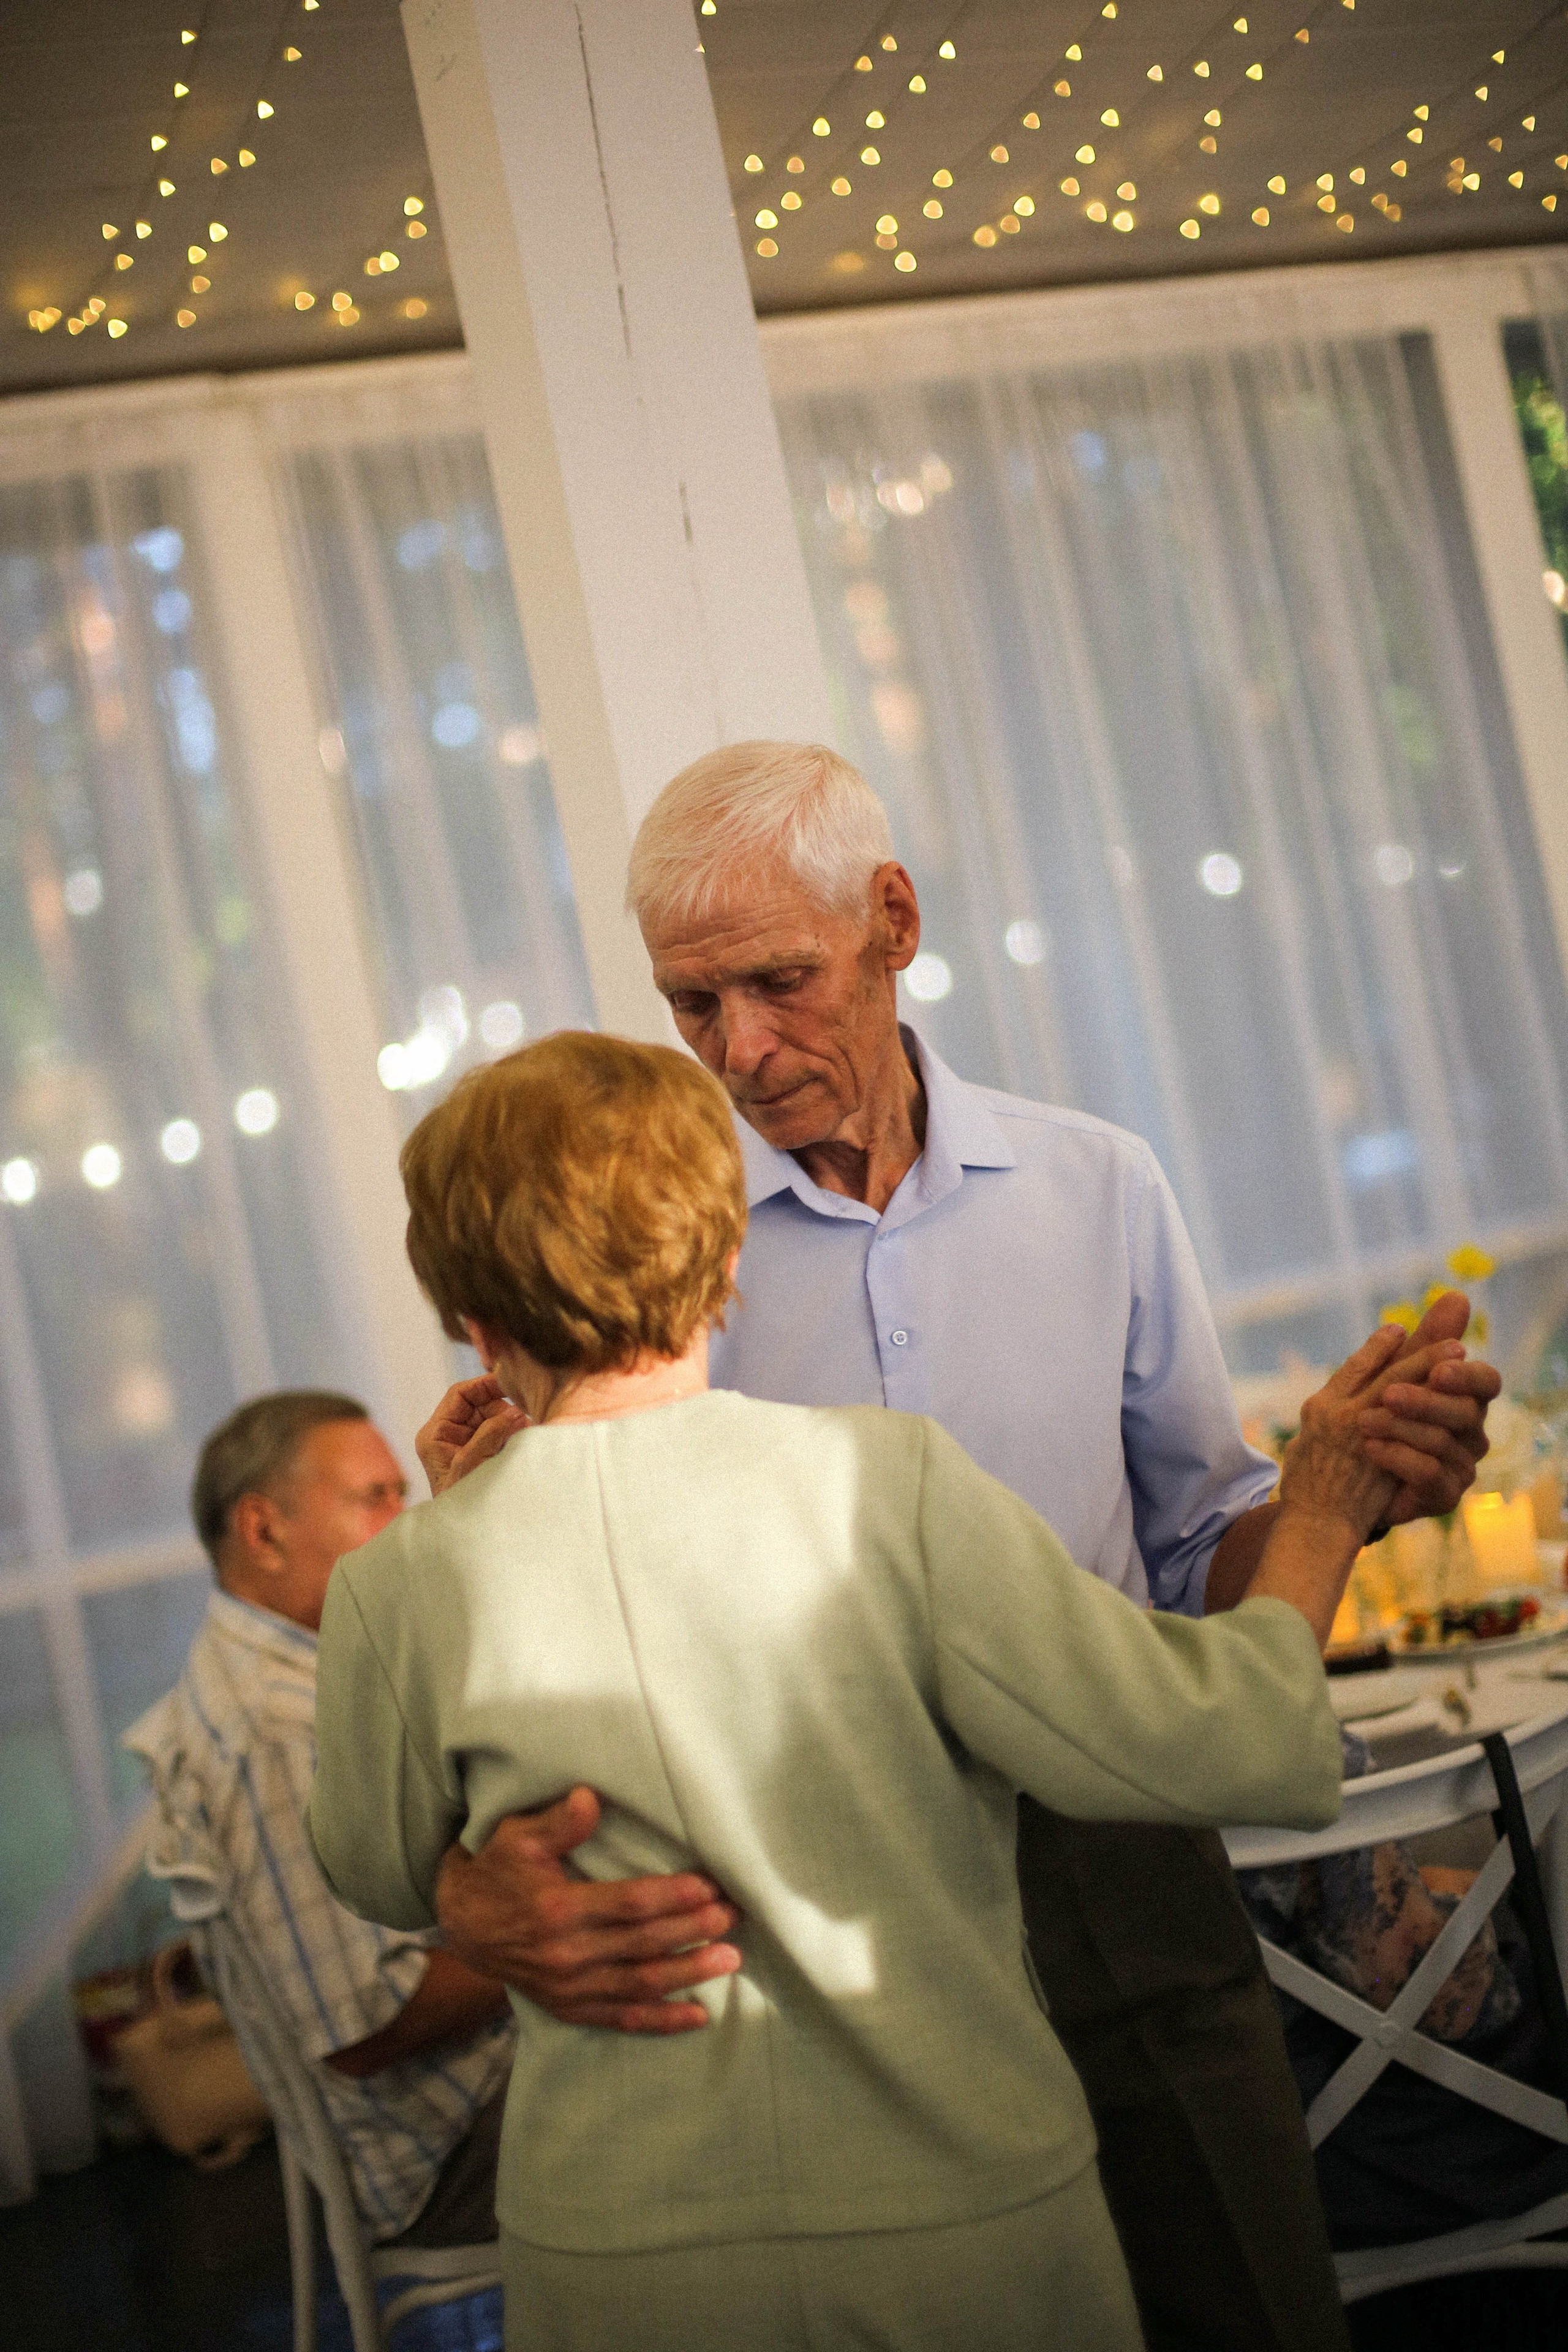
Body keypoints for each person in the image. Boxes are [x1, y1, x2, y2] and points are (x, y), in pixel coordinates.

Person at [427, 742, 1499, 2351]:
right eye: (694, 1004)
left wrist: (1356, 1492)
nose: (744, 1049)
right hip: (821, 1923)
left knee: (1246, 2295)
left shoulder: (1095, 1187)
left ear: (894, 920)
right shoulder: (639, 1269)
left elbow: (1201, 1543)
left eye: (779, 983)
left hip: (1121, 1862)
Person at [125, 1392, 516, 2247]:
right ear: (263, 1532)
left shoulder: (291, 1672)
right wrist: (549, 1943)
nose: (401, 1523)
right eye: (376, 1498)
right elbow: (364, 2027)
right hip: (447, 2146)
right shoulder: (277, 1727)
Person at [1240, 1731, 1568, 2248]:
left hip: (1228, 2141)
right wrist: (1465, 1904)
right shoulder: (1290, 1741)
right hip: (1367, 2142)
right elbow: (1443, 2003)